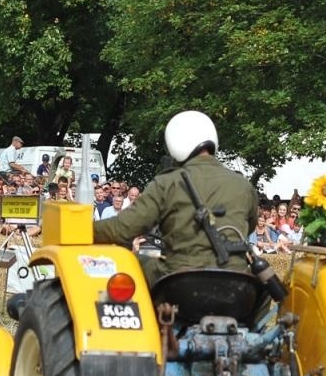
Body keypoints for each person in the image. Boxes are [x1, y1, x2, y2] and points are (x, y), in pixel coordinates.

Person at [92, 110, 258, 285]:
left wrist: (79, 229)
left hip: (179, 282)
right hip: (236, 283)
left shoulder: (167, 183)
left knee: (134, 261)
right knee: (264, 286)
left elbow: (122, 229)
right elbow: (249, 227)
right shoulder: (243, 184)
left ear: (174, 144)